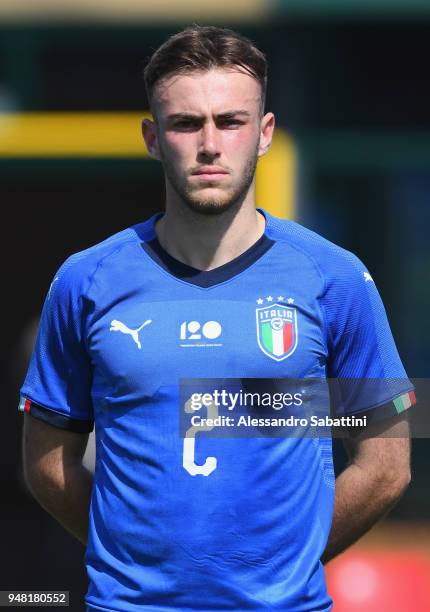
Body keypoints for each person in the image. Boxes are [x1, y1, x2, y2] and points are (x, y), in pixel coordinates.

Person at [19, 25, 414, 612]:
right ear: (153, 137)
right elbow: (46, 462)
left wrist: (281, 567)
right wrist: (135, 560)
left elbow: (387, 466)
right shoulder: (85, 279)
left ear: (264, 133)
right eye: (186, 123)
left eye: (230, 122)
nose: (210, 144)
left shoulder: (335, 277)